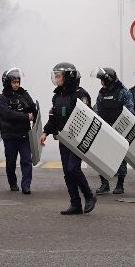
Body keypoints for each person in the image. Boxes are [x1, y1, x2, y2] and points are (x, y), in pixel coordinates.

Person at [40, 62, 97, 215]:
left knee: (73, 168)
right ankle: (75, 204)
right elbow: (53, 118)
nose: (56, 79)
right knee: (67, 172)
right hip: (63, 139)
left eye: (59, 76)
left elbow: (87, 117)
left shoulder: (81, 95)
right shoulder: (57, 96)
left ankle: (89, 196)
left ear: (68, 76)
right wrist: (45, 132)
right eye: (56, 76)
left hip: (78, 140)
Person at [91, 67, 134, 195]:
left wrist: (119, 128)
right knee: (101, 157)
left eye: (103, 80)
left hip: (118, 130)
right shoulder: (101, 94)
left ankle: (120, 184)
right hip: (104, 130)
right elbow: (97, 111)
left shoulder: (123, 93)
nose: (101, 83)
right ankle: (104, 184)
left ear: (108, 80)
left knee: (120, 158)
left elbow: (130, 112)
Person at [0, 68, 37, 194]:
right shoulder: (2, 98)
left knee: (26, 160)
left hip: (24, 134)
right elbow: (7, 114)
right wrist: (25, 116)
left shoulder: (24, 94)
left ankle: (26, 185)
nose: (17, 84)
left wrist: (34, 114)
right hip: (9, 135)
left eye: (18, 81)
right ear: (8, 82)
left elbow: (33, 108)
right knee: (11, 162)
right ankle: (13, 183)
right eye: (14, 82)